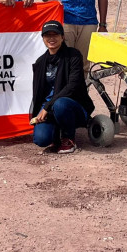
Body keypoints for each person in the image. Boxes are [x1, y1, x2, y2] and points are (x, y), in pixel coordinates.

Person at [30, 20, 95, 154]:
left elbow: (72, 86)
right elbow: (38, 93)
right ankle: (56, 131)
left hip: (71, 106)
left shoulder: (74, 55)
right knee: (41, 139)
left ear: (62, 37)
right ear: (43, 38)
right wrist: (38, 113)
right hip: (49, 109)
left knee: (60, 104)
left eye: (55, 35)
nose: (51, 38)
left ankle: (68, 138)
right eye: (48, 35)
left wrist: (47, 107)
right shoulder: (40, 62)